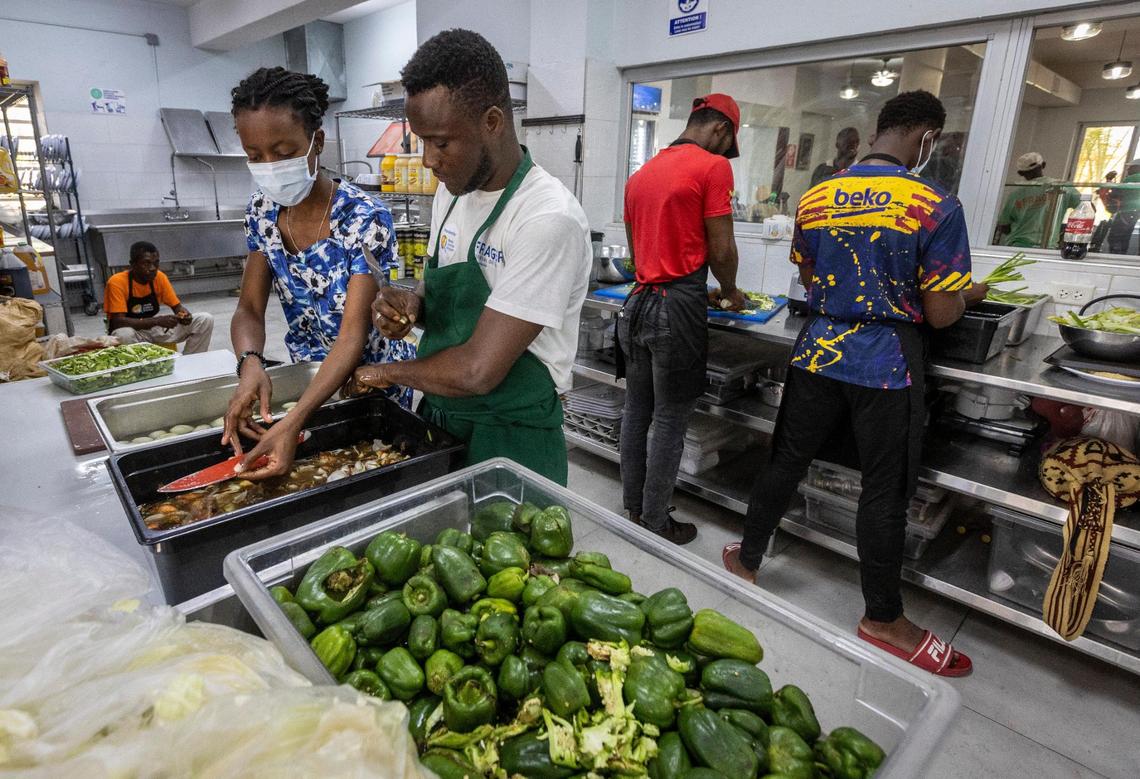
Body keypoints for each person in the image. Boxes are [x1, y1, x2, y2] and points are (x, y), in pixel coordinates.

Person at [723, 90, 986, 677]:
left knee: (786, 459)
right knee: (886, 489)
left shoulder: (818, 196)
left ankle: (746, 559)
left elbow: (811, 272)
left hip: (817, 350)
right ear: (926, 140)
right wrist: (969, 293)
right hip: (886, 363)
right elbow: (941, 313)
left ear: (876, 133)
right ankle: (884, 618)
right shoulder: (935, 204)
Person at [351, 30, 591, 485]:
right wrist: (411, 306)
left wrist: (383, 372)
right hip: (443, 417)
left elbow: (480, 369)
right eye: (420, 141)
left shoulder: (545, 217)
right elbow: (445, 290)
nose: (427, 160)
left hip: (511, 434)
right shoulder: (453, 194)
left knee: (516, 555)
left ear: (494, 121)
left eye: (441, 142)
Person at [223, 67, 414, 478]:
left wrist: (293, 422)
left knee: (373, 478)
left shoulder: (363, 219)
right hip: (309, 380)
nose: (270, 166)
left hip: (370, 386)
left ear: (318, 142)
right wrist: (250, 362)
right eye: (256, 157)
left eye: (285, 152)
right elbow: (249, 310)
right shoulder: (262, 211)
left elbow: (352, 337)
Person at [618, 94, 746, 545]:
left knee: (637, 412)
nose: (725, 154)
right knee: (671, 419)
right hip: (677, 308)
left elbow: (639, 257)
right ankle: (656, 521)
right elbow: (722, 248)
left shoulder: (640, 175)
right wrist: (730, 292)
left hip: (637, 305)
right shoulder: (713, 167)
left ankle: (633, 507)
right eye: (727, 144)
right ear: (720, 130)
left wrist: (678, 273)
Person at [104, 241, 213, 354]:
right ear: (132, 264)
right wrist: (156, 321)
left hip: (154, 330)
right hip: (134, 333)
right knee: (124, 334)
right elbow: (118, 322)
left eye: (156, 263)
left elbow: (177, 307)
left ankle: (191, 363)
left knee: (205, 319)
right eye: (146, 263)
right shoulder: (117, 282)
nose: (152, 268)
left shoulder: (159, 277)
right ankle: (136, 369)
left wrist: (184, 315)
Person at [993, 152, 1080, 248]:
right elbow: (1087, 208)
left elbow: (1004, 225)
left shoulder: (1016, 193)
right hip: (1048, 246)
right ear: (1043, 165)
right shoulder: (1063, 187)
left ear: (1020, 173)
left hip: (1018, 245)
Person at [1107, 159, 1140, 254]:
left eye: (1130, 167)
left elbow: (1116, 194)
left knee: (1115, 238)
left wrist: (1109, 182)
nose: (1127, 170)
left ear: (1137, 168)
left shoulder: (1131, 178)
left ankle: (1115, 258)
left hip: (1127, 211)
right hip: (1136, 212)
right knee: (1126, 237)